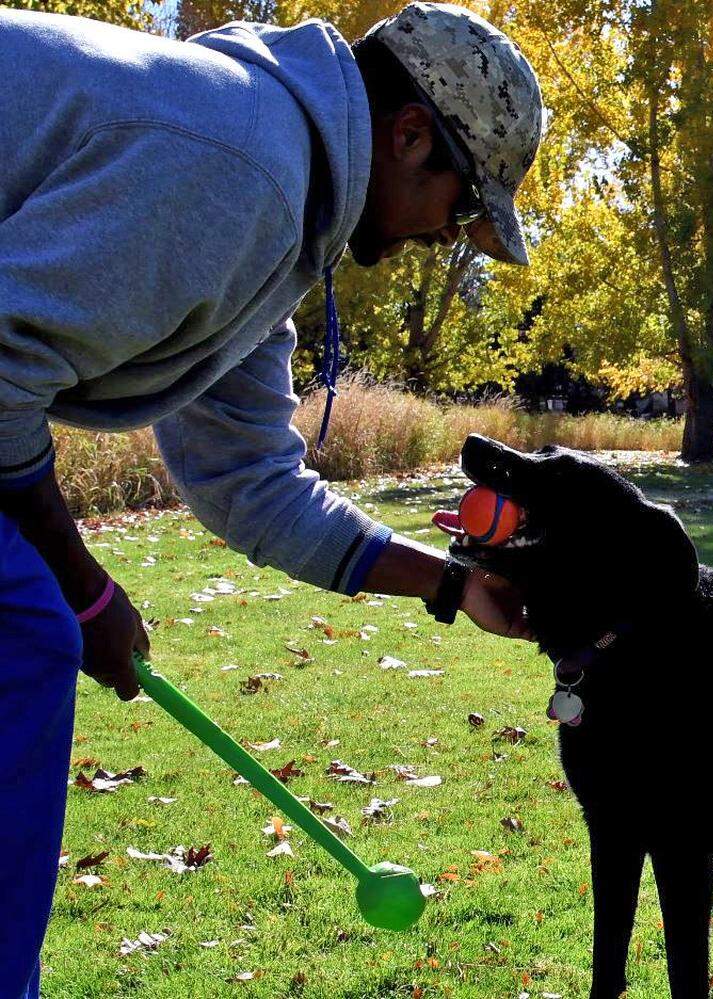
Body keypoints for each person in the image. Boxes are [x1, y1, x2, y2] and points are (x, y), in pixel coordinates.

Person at [0, 3, 544, 994]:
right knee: (27, 627)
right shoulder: (238, 166)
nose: (447, 239)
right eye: (462, 210)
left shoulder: (279, 207)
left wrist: (452, 584)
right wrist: (84, 591)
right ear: (410, 136)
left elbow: (250, 483)